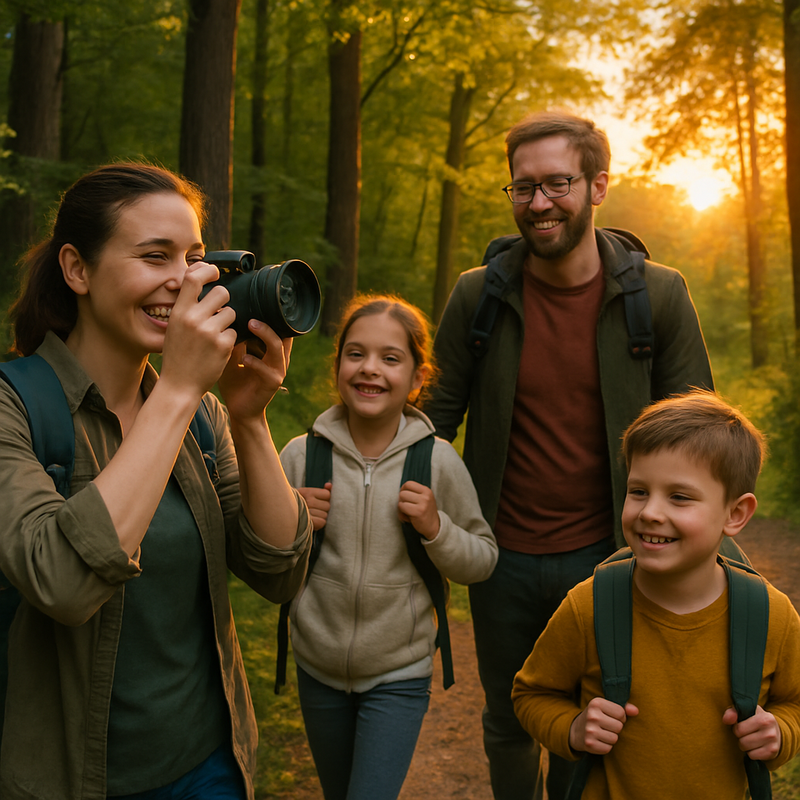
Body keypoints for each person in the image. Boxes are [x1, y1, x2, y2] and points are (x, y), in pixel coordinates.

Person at [423, 110, 714, 800]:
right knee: (510, 719)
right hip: (499, 559)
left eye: (558, 183)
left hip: (611, 558)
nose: (540, 203)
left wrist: (714, 566)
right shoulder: (478, 295)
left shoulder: (659, 296)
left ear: (597, 185)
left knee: (596, 726)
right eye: (523, 188)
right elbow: (429, 424)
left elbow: (700, 437)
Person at [0, 163, 313, 799]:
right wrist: (176, 388)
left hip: (210, 765)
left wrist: (249, 417)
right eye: (154, 256)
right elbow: (61, 581)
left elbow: (280, 569)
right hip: (73, 780)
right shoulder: (16, 408)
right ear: (77, 269)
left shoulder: (202, 412)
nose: (186, 280)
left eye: (196, 258)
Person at [511, 390, 800, 798]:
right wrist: (574, 729)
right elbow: (531, 694)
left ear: (735, 514)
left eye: (679, 497)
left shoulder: (771, 615)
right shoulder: (589, 605)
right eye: (639, 491)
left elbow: (795, 703)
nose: (649, 512)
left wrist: (781, 732)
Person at [279, 294, 498, 800]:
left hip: (399, 674)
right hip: (316, 667)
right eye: (355, 354)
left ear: (419, 378)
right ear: (337, 366)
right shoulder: (298, 455)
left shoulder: (438, 461)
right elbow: (260, 557)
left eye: (390, 358)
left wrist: (435, 527)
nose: (369, 369)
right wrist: (294, 524)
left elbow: (483, 558)